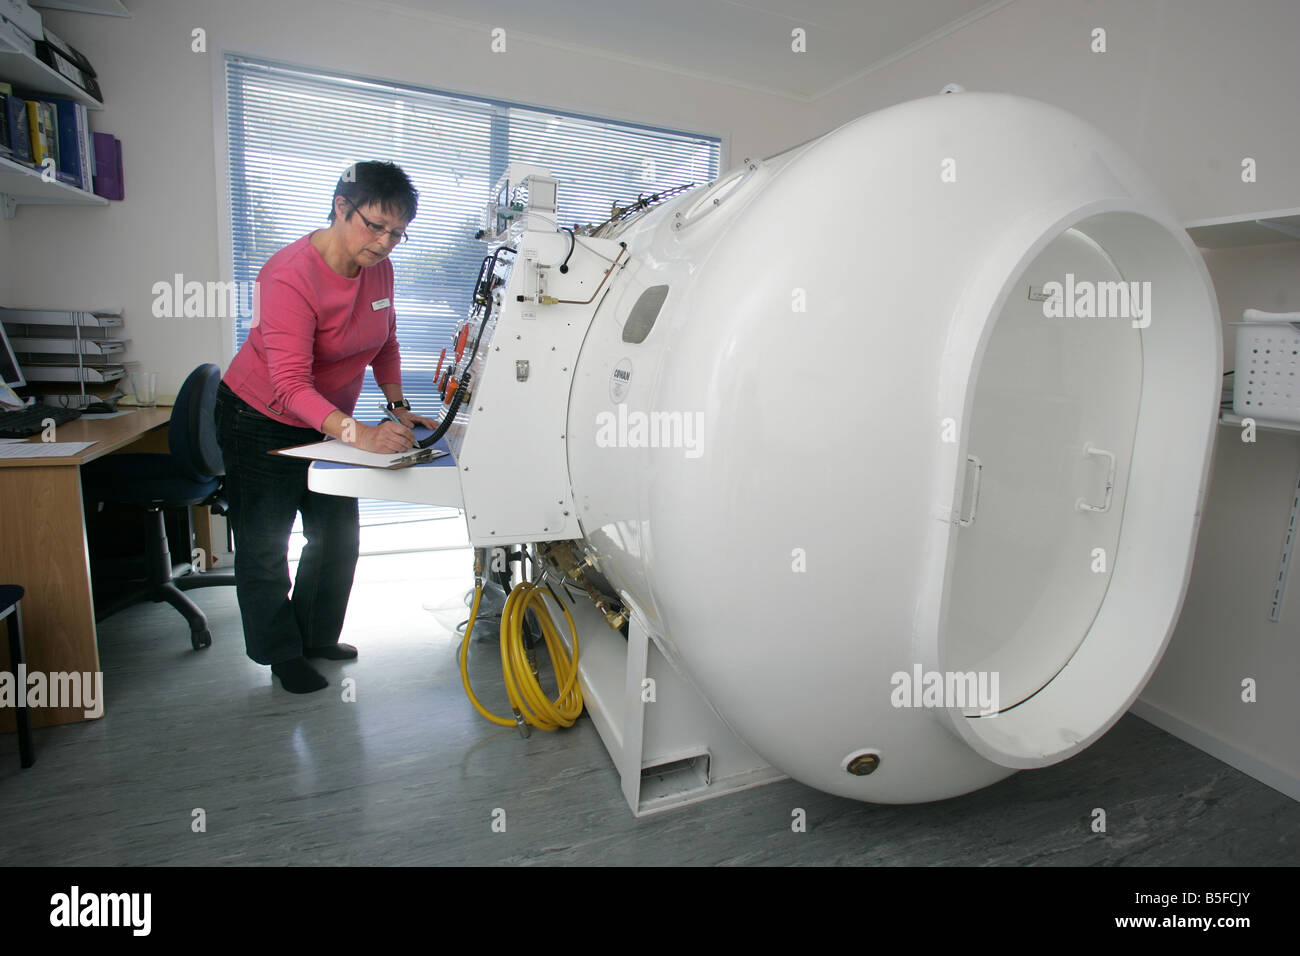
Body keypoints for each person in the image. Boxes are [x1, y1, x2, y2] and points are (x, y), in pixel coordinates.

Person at [215, 161, 436, 693]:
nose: (384, 243)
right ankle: (280, 652)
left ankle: (314, 635)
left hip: (328, 419)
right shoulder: (289, 274)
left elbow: (384, 340)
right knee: (265, 541)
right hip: (259, 417)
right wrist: (360, 435)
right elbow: (290, 385)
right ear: (342, 207)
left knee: (337, 535)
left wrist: (398, 405)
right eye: (375, 226)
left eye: (397, 234)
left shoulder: (377, 268)